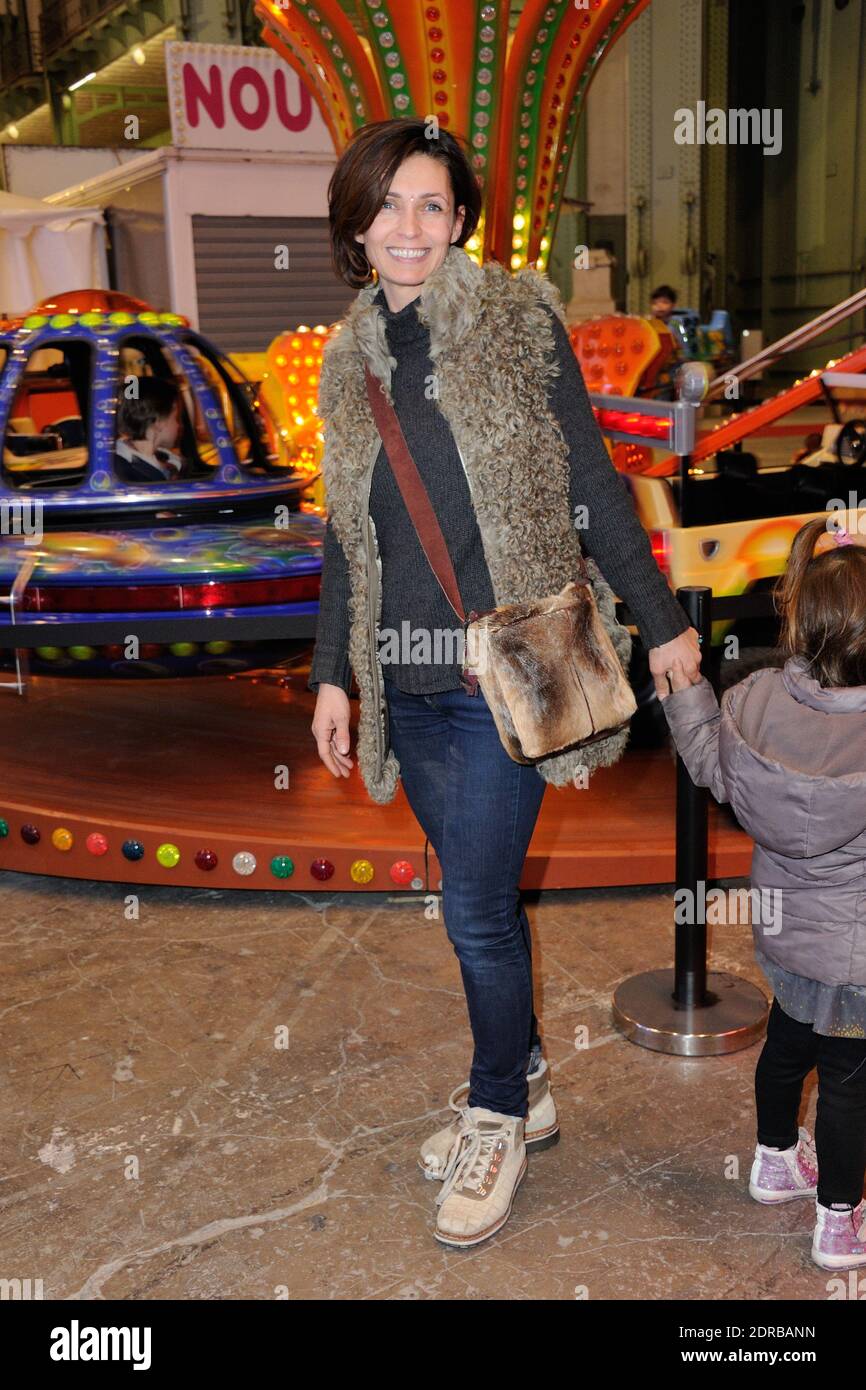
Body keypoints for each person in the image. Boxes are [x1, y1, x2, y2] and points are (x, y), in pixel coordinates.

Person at [308, 117, 701, 1249]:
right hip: (406, 680)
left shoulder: (516, 321)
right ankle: (522, 1082)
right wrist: (331, 674)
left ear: (459, 221)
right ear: (355, 225)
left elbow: (590, 477)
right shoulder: (345, 362)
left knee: (477, 910)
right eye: (387, 206)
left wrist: (664, 624)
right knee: (469, 898)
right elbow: (347, 537)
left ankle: (494, 1114)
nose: (407, 227)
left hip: (508, 673)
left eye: (430, 205)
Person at [661, 515, 866, 1272]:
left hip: (783, 935)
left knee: (787, 1045)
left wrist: (685, 695)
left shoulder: (749, 704)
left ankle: (775, 1159)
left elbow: (711, 763)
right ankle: (839, 1222)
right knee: (849, 1081)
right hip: (858, 958)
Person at [114, 376, 187, 483]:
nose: (178, 425)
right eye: (176, 418)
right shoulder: (129, 475)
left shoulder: (164, 457)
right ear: (158, 423)